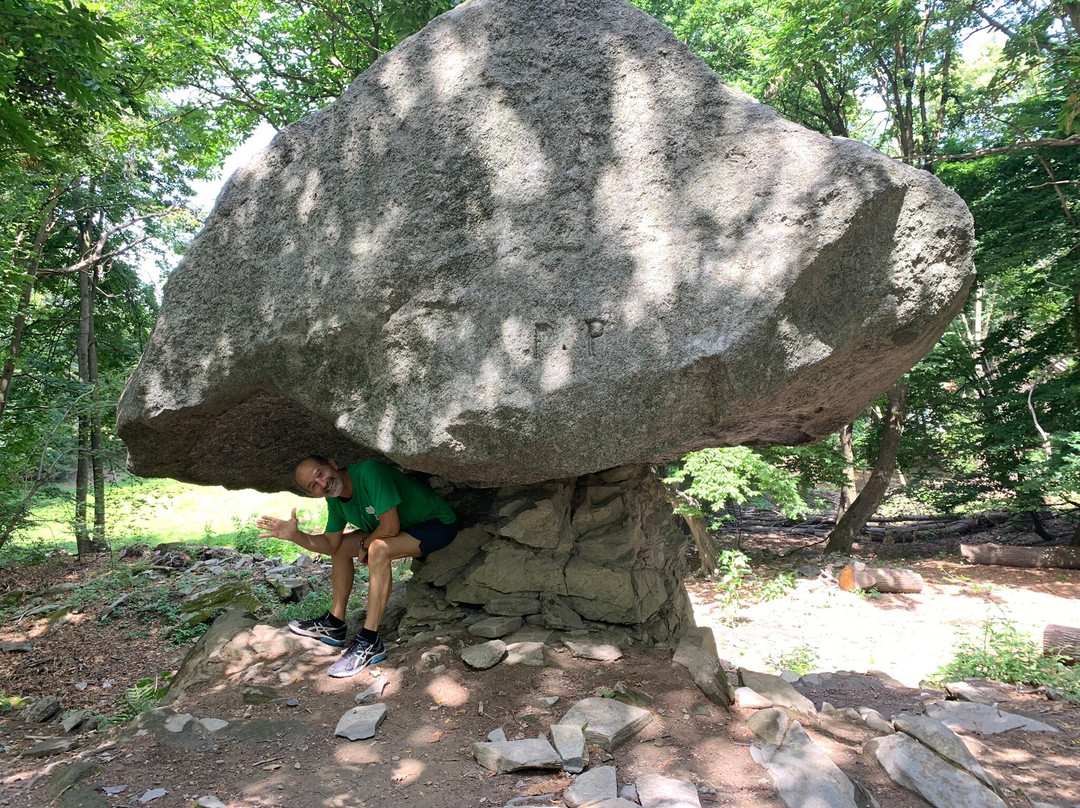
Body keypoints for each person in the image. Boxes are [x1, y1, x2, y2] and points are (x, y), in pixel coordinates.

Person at [256, 456, 458, 678]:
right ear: (313, 494)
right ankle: (334, 623)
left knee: (377, 548)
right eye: (314, 486)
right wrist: (297, 536)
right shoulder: (334, 500)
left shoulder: (369, 472)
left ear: (333, 464)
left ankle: (370, 640)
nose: (323, 484)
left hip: (435, 525)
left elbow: (390, 527)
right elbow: (331, 544)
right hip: (398, 530)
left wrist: (365, 543)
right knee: (341, 548)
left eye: (320, 474)